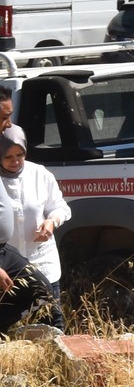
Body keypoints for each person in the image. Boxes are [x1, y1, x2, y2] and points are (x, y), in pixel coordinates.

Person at [0, 126, 67, 334]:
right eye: (7, 156)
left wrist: (51, 222)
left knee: (53, 329)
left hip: (43, 263)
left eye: (20, 154)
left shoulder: (39, 173)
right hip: (7, 270)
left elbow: (60, 206)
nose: (15, 161)